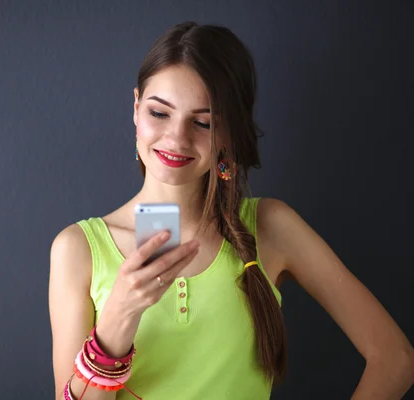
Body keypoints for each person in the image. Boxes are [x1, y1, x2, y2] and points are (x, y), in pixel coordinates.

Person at [48, 21, 414, 399]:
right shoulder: (78, 250)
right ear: (137, 108)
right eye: (160, 113)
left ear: (229, 133)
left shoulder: (270, 227)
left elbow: (395, 358)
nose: (177, 137)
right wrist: (117, 320)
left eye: (203, 122)